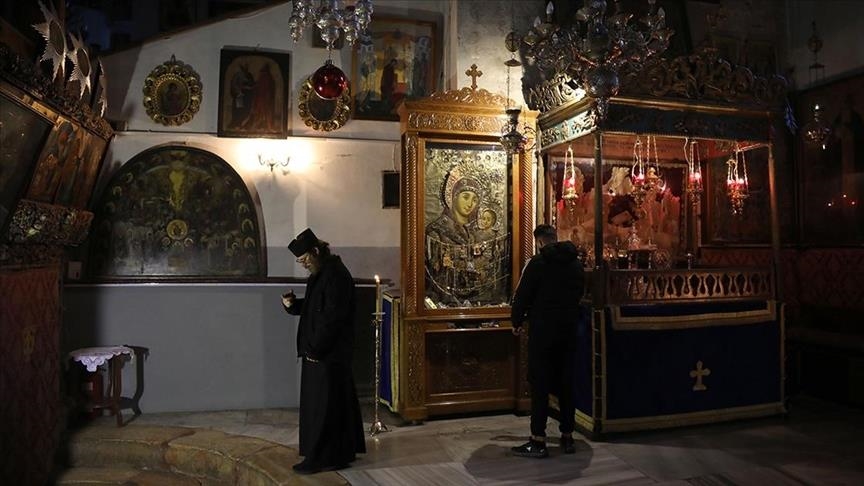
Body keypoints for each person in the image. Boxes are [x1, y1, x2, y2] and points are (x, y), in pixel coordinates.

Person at [282, 228, 366, 474]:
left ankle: (318, 458)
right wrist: (293, 305)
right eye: (300, 261)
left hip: (327, 355)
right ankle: (340, 453)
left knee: (322, 408)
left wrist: (315, 349)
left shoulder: (336, 276)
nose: (304, 265)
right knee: (333, 406)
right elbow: (315, 308)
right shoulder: (322, 273)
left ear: (316, 251)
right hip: (323, 353)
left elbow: (332, 318)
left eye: (305, 259)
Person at [510, 224, 585, 458]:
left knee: (540, 384)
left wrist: (517, 320)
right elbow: (580, 291)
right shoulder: (575, 263)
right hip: (569, 329)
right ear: (555, 237)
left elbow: (523, 295)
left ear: (540, 241)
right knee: (566, 383)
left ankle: (538, 440)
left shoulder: (538, 263)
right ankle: (568, 436)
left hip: (543, 331)